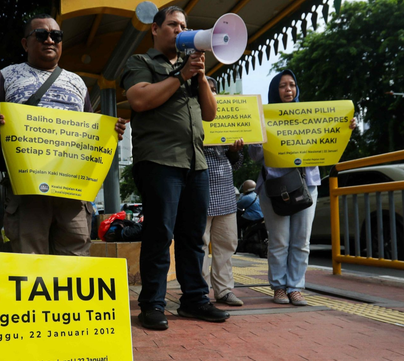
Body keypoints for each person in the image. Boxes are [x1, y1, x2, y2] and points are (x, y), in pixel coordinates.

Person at [121, 6, 230, 330]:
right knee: (160, 234)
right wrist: (178, 76)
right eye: (172, 24)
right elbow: (139, 100)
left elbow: (209, 114)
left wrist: (198, 77)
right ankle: (152, 304)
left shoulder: (191, 70)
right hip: (159, 160)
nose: (179, 30)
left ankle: (194, 299)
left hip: (195, 163)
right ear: (155, 30)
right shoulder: (141, 63)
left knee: (193, 236)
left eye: (183, 25)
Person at [0, 13, 126, 256]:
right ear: (25, 43)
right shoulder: (6, 76)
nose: (49, 40)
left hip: (72, 190)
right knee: (29, 258)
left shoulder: (77, 83)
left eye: (56, 35)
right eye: (41, 35)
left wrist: (111, 132)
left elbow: (91, 128)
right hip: (26, 188)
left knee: (75, 257)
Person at [249, 70, 356, 306]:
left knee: (301, 242)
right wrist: (258, 134)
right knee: (279, 241)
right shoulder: (262, 117)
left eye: (292, 85)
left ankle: (295, 288)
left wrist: (344, 129)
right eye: (283, 86)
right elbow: (256, 155)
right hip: (275, 188)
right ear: (274, 90)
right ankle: (278, 288)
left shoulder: (312, 117)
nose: (289, 90)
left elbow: (328, 146)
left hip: (307, 185)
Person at [202, 76, 244, 306]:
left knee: (226, 244)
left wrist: (234, 150)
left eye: (215, 89)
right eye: (206, 89)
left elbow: (236, 163)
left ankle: (224, 291)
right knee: (199, 245)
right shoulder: (191, 118)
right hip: (199, 191)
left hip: (226, 191)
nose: (212, 93)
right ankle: (199, 292)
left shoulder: (228, 119)